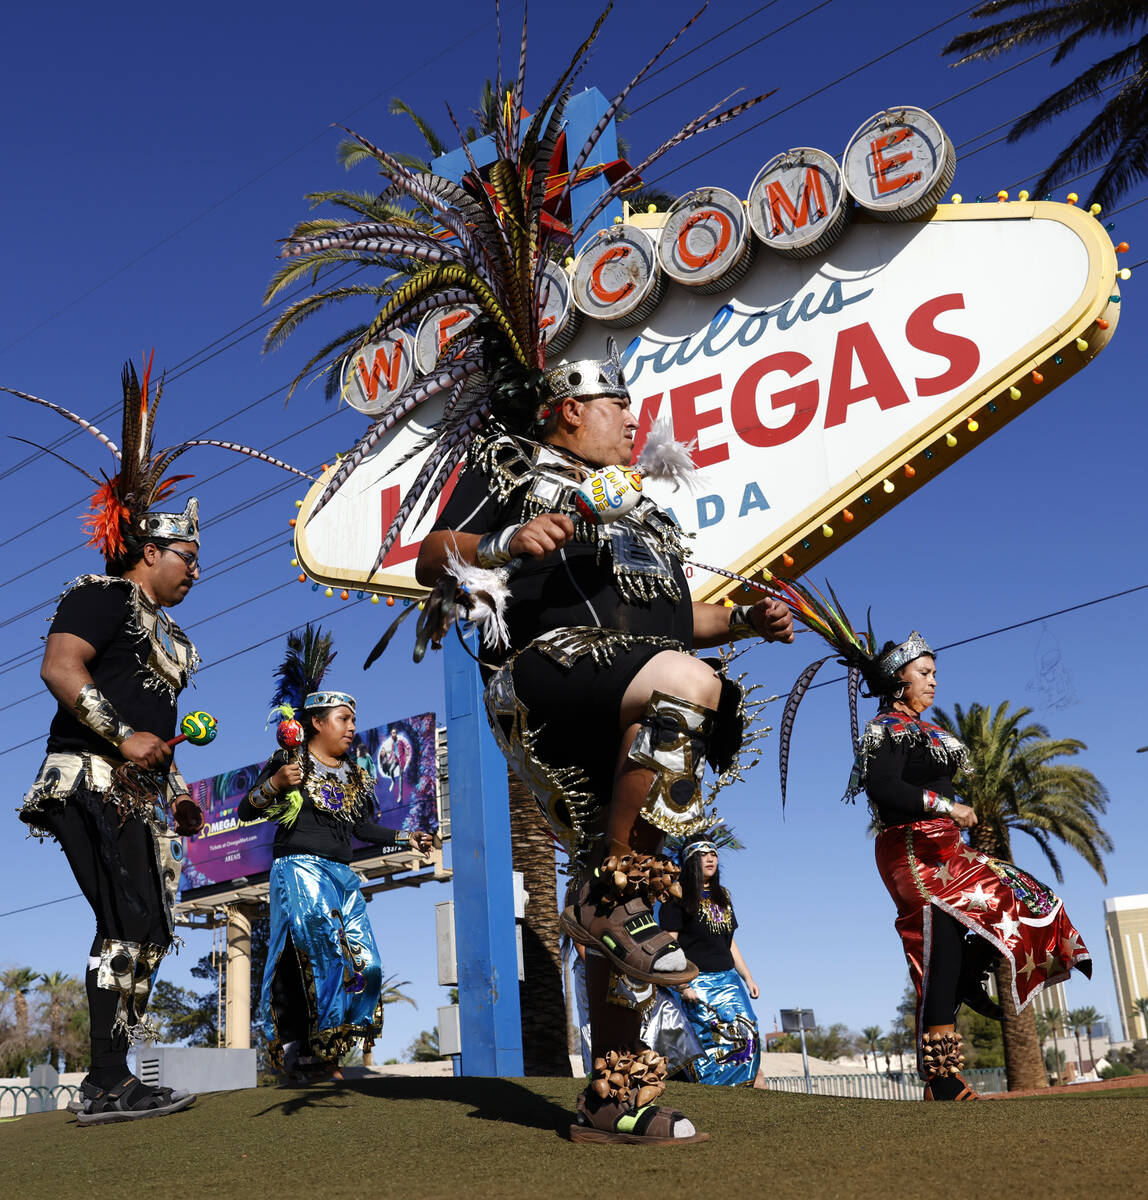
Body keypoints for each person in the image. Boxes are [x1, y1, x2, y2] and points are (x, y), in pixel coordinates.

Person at [417, 345, 793, 1143]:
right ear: (567, 411)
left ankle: (611, 1099)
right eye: (617, 405)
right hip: (548, 674)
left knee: (631, 907)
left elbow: (671, 622)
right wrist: (506, 540)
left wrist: (745, 621)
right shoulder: (513, 463)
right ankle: (603, 900)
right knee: (692, 686)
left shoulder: (646, 513)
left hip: (624, 682)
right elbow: (429, 558)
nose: (633, 418)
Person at [10, 354, 312, 1125]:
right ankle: (107, 1082)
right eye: (189, 558)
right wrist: (124, 737)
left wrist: (174, 794)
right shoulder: (100, 596)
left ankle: (114, 1076)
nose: (197, 572)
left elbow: (157, 740)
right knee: (126, 920)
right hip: (88, 778)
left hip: (137, 793)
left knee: (147, 924)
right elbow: (59, 668)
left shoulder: (168, 633)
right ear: (149, 551)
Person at [778, 600, 1092, 1102]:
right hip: (911, 850)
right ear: (899, 679)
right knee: (935, 952)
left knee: (1027, 895)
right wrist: (949, 804)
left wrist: (958, 811)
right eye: (925, 672)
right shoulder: (887, 730)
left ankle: (969, 974)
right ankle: (941, 1077)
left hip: (948, 848)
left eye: (935, 673)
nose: (935, 681)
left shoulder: (932, 733)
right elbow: (884, 789)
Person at [240, 627, 433, 1080]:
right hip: (299, 869)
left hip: (343, 875)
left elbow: (363, 828)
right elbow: (248, 808)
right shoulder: (290, 762)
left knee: (367, 962)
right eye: (343, 719)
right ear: (316, 723)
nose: (351, 727)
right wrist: (275, 785)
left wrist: (408, 839)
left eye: (352, 719)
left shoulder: (355, 775)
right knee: (320, 955)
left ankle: (330, 1047)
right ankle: (311, 1056)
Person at [659, 838, 765, 1088]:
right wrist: (683, 985)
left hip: (728, 979)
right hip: (697, 981)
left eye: (714, 854)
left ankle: (742, 1088)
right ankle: (711, 1089)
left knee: (748, 1031)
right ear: (690, 860)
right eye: (703, 854)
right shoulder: (678, 895)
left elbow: (729, 943)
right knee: (708, 1039)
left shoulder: (723, 895)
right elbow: (669, 945)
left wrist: (747, 977)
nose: (710, 859)